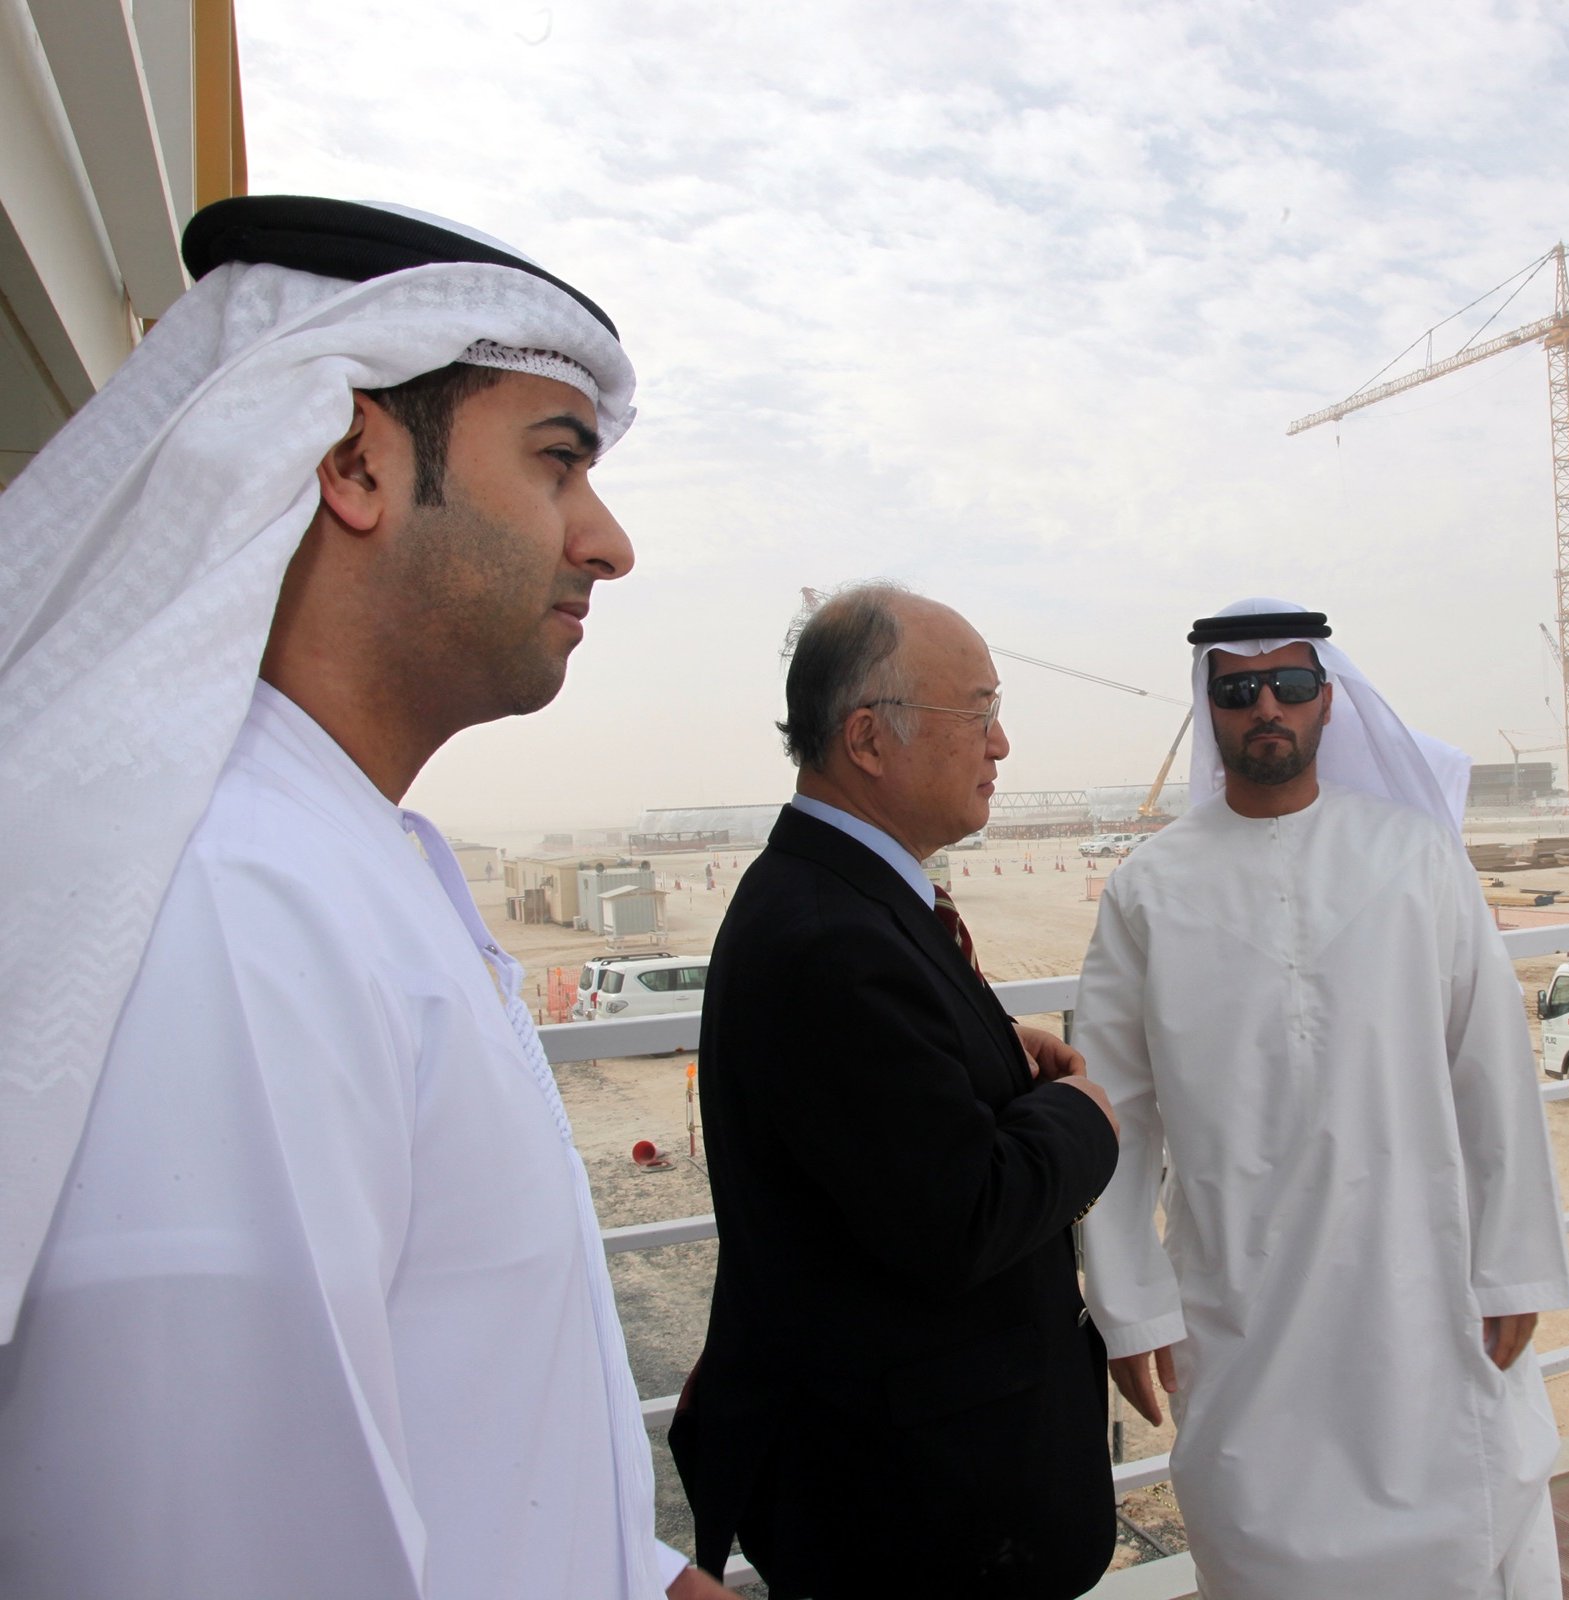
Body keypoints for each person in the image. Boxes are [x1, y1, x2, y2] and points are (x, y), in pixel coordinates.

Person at [0, 195, 731, 1599]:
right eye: (559, 461)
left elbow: (444, 1401)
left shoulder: (345, 855)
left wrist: (628, 1571)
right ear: (355, 465)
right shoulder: (232, 911)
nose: (608, 542)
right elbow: (211, 1550)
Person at [1077, 597, 1569, 1599]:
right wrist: (1130, 1309)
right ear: (1209, 707)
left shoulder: (1415, 856)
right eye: (1238, 689)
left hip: (1420, 1286)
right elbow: (1112, 1119)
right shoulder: (1148, 889)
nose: (1267, 705)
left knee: (1453, 1536)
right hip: (1241, 1301)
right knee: (1258, 1543)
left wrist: (1513, 1263)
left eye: (1291, 683)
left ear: (1327, 700)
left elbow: (1490, 1069)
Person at [669, 583, 1122, 1599]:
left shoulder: (843, 896)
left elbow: (881, 1113)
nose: (1000, 743)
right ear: (869, 738)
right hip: (918, 1514)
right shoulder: (830, 937)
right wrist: (1083, 1118)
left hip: (915, 1486)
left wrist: (991, 1052)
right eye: (979, 711)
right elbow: (960, 1213)